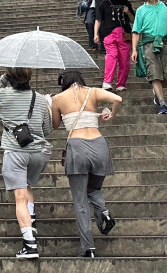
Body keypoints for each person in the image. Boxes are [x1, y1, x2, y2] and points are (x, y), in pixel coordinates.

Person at [50, 71, 122, 257]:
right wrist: (111, 115)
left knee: (80, 200)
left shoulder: (58, 98)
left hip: (78, 146)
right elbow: (118, 99)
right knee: (94, 189)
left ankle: (88, 247)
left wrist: (51, 105)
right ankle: (103, 212)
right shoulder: (94, 92)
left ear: (63, 82)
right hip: (99, 145)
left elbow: (55, 124)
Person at [0, 68, 53, 259]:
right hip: (39, 153)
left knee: (20, 198)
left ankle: (30, 245)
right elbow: (47, 129)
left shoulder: (3, 95)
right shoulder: (39, 98)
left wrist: (3, 78)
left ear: (11, 78)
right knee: (27, 186)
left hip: (16, 151)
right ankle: (30, 221)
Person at [130, 0, 167, 115]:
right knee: (154, 74)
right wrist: (134, 49)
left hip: (166, 43)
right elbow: (136, 31)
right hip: (149, 44)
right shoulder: (141, 10)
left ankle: (157, 92)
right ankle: (162, 103)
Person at [94, 0, 135, 92]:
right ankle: (107, 81)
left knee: (124, 59)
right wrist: (95, 34)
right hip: (109, 33)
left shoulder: (126, 3)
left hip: (125, 34)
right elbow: (98, 20)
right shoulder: (103, 4)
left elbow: (133, 20)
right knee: (112, 56)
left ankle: (121, 83)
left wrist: (128, 12)